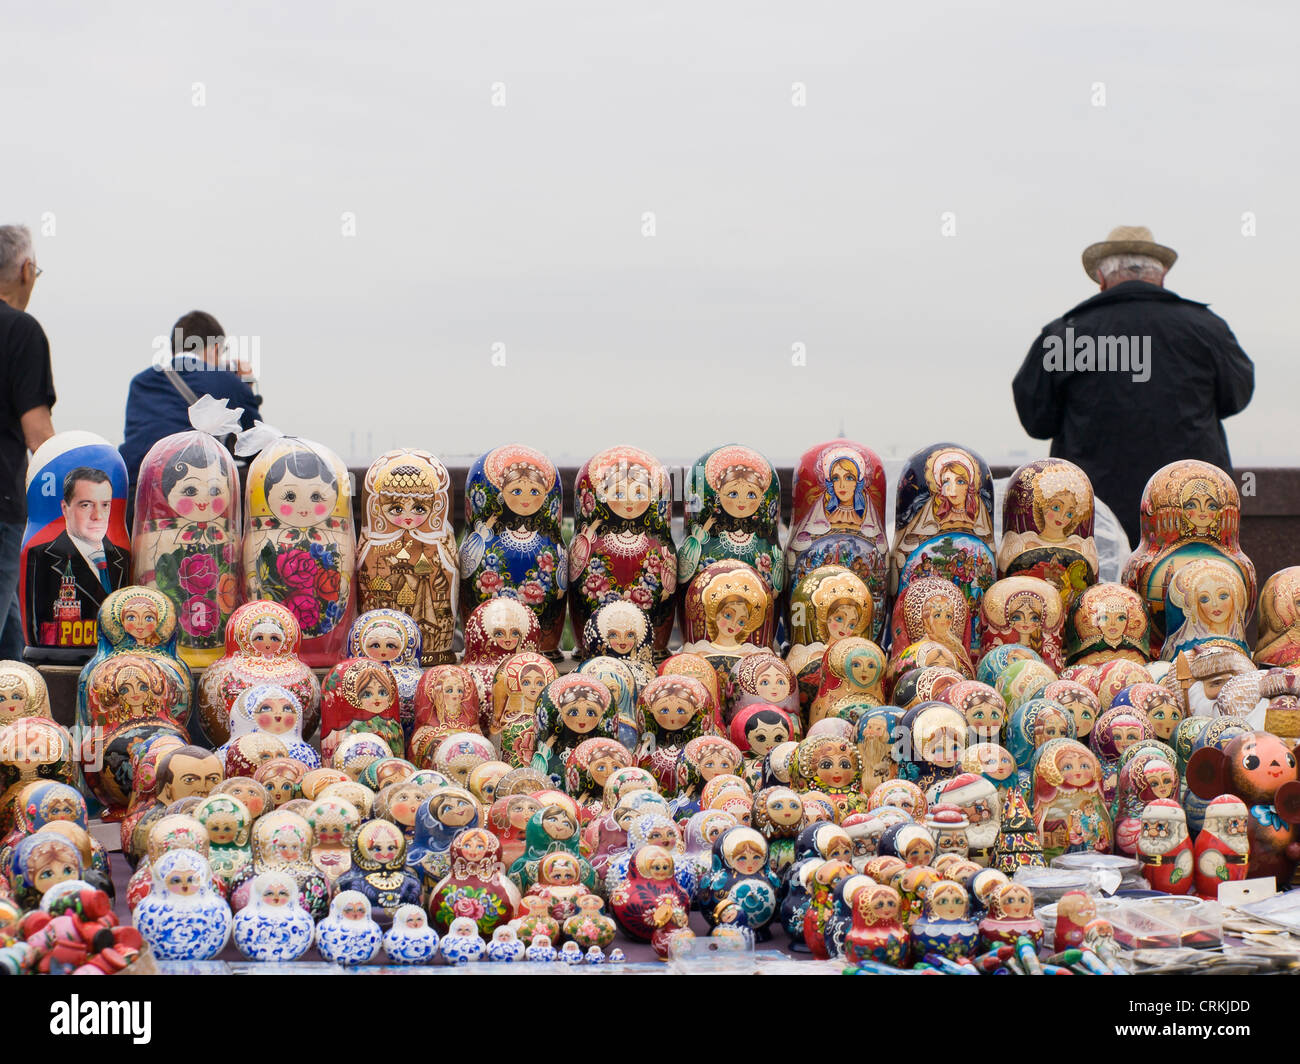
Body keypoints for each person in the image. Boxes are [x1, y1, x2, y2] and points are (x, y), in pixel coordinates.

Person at [1012, 226, 1254, 545]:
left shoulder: (1064, 334)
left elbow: (1037, 420)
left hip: (1091, 516)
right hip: (1192, 509)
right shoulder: (1207, 328)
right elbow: (1235, 397)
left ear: (1101, 278)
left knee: (1097, 596)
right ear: (1162, 276)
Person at [119, 310, 262, 514]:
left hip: (138, 490)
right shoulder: (226, 380)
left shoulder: (140, 382)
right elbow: (255, 448)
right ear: (215, 348)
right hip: (191, 494)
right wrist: (246, 385)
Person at [0, 225, 56, 659]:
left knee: (14, 651)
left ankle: (19, 727)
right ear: (27, 269)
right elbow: (38, 434)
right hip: (2, 507)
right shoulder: (21, 331)